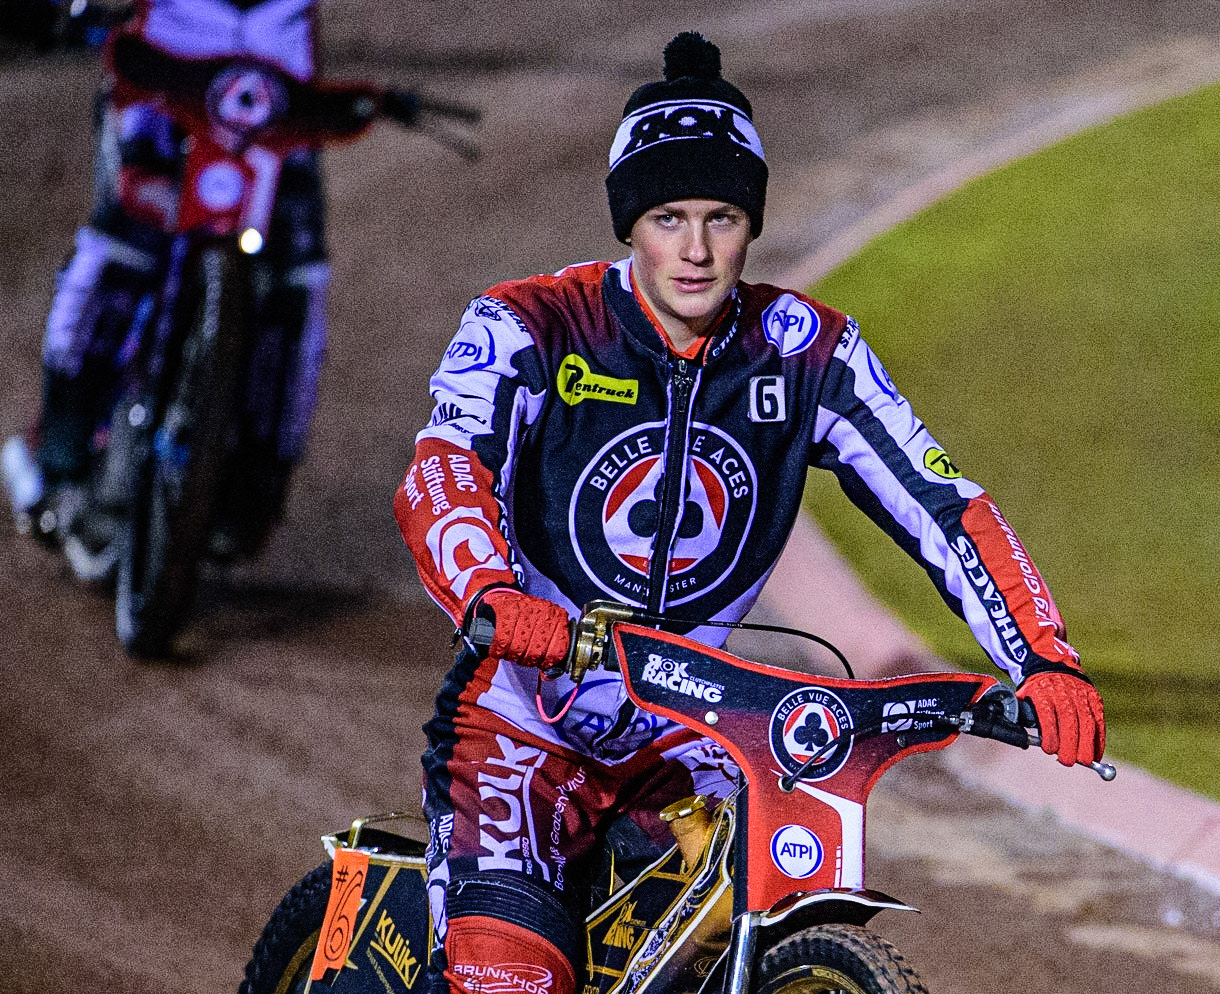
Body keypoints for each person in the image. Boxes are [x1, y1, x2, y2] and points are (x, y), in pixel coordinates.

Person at [393, 31, 1106, 994]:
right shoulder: (531, 321)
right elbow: (444, 469)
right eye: (669, 217)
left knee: (744, 923)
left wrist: (1042, 659)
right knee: (517, 980)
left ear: (751, 224)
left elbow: (941, 503)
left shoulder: (809, 350)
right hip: (523, 722)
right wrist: (489, 594)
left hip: (699, 737)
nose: (695, 249)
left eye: (722, 217)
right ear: (629, 224)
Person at [3, 0, 334, 563]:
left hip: (272, 128)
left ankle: (255, 487)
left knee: (299, 285)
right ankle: (60, 452)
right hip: (159, 106)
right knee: (116, 253)